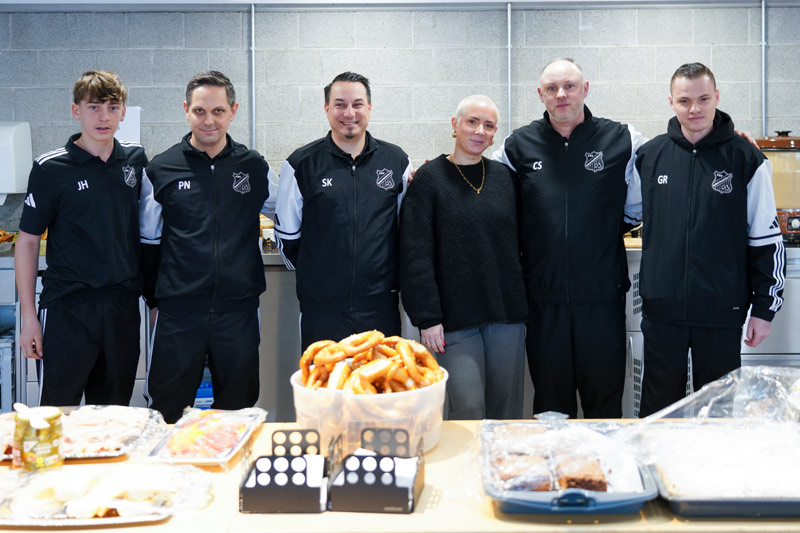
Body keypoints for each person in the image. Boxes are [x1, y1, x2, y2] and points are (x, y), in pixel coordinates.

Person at [492, 57, 645, 419]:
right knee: (551, 411)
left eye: (570, 86)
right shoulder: (516, 147)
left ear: (585, 89)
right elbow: (483, 189)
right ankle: (555, 460)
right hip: (543, 302)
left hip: (602, 299)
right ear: (540, 94)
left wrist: (723, 139)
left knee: (603, 408)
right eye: (552, 88)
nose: (561, 95)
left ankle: (602, 459)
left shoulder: (623, 139)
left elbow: (644, 198)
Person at [634, 63, 786, 416]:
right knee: (659, 415)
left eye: (703, 99)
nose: (694, 109)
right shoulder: (649, 156)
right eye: (684, 101)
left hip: (721, 311)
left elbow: (766, 239)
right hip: (662, 312)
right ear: (671, 102)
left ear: (717, 97)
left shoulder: (746, 158)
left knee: (717, 415)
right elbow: (625, 213)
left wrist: (764, 310)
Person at [139, 71, 277, 423]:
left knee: (238, 410)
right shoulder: (160, 169)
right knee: (167, 412)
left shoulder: (254, 166)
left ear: (233, 111)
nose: (209, 120)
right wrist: (154, 301)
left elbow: (291, 209)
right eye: (199, 111)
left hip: (238, 310)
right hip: (179, 312)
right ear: (186, 110)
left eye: (218, 111)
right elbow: (148, 242)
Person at [15, 70, 147, 406]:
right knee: (58, 413)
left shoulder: (135, 160)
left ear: (123, 112)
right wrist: (28, 317)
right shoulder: (50, 168)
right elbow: (28, 242)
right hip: (67, 309)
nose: (104, 117)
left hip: (122, 308)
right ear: (76, 111)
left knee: (114, 415)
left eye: (112, 107)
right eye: (94, 107)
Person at [399, 95, 527, 420]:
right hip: (452, 321)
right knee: (468, 408)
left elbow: (523, 242)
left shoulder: (505, 178)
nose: (480, 131)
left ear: (495, 134)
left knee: (506, 410)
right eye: (472, 122)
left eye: (489, 125)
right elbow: (415, 253)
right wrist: (427, 317)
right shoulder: (428, 180)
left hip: (505, 314)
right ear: (455, 125)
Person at [274, 72, 413, 350]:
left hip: (380, 307)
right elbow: (287, 237)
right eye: (340, 105)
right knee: (325, 378)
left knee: (380, 378)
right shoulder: (301, 164)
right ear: (327, 109)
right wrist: (320, 276)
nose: (349, 113)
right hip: (322, 310)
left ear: (369, 107)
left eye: (357, 104)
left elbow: (407, 231)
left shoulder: (397, 161)